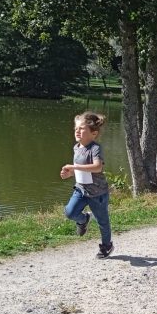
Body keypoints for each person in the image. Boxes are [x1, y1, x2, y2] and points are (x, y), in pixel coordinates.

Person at [61, 111, 114, 259]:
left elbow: (97, 167)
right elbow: (81, 170)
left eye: (82, 128)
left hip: (97, 193)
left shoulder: (95, 148)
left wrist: (74, 167)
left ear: (94, 133)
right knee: (70, 212)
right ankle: (84, 220)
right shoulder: (76, 147)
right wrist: (70, 174)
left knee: (102, 221)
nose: (77, 131)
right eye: (76, 128)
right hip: (81, 189)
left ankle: (107, 245)